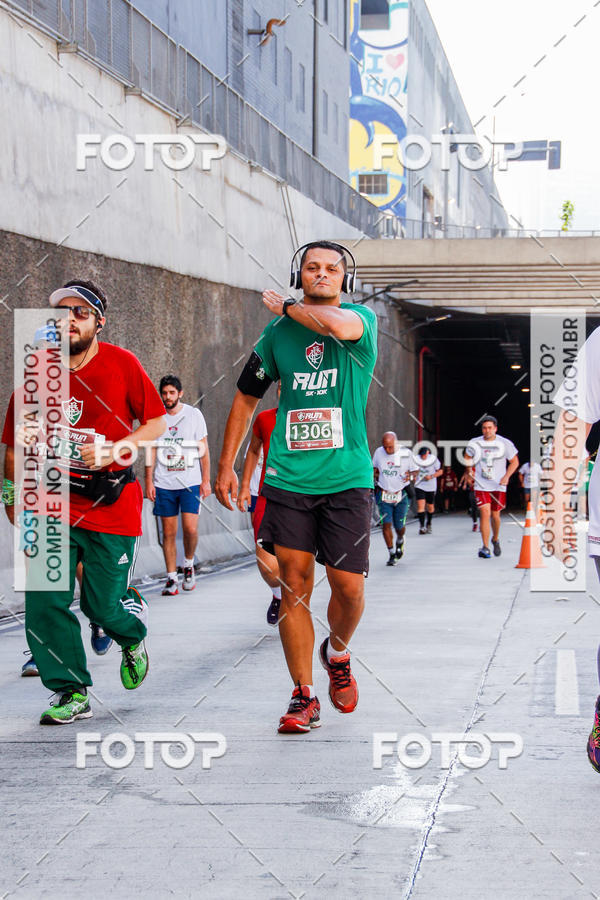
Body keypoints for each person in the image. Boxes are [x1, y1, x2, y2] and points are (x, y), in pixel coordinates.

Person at [215, 240, 377, 734]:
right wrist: (227, 464)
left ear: (344, 280)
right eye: (313, 268)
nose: (322, 275)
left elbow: (338, 326)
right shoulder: (276, 335)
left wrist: (290, 305)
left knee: (349, 589)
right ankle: (303, 694)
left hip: (347, 477)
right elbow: (245, 398)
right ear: (299, 272)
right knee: (294, 586)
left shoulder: (361, 321)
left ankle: (339, 652)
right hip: (287, 477)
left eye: (332, 269)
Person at [2, 279, 166, 724]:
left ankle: (130, 635)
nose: (69, 320)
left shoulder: (122, 364)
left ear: (99, 322)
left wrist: (115, 450)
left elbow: (155, 423)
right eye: (61, 313)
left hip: (111, 504)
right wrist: (12, 494)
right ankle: (69, 690)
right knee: (43, 599)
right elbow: (15, 445)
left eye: (80, 312)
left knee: (101, 605)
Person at [145, 375, 211, 595]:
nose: (168, 397)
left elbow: (204, 450)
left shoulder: (193, 415)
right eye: (164, 393)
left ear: (180, 393)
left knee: (190, 529)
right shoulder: (156, 417)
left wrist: (206, 480)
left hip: (190, 482)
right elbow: (151, 450)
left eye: (172, 393)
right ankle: (172, 578)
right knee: (168, 533)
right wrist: (149, 481)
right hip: (164, 483)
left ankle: (189, 564)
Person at [238, 385, 282, 623]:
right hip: (265, 495)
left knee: (297, 564)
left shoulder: (316, 418)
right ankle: (278, 594)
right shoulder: (265, 419)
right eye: (282, 386)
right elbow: (253, 453)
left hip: (304, 496)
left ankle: (295, 601)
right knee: (267, 566)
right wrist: (245, 487)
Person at [463, 415, 518, 559]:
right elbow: (467, 458)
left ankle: (495, 539)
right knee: (484, 513)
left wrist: (506, 477)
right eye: (484, 428)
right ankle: (485, 547)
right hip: (481, 484)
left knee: (495, 515)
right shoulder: (474, 443)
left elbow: (514, 462)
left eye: (489, 428)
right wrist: (469, 471)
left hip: (498, 485)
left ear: (495, 429)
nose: (487, 431)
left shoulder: (505, 443)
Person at [372, 432, 414, 566]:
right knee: (386, 524)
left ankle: (400, 539)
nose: (387, 450)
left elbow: (415, 471)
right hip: (384, 494)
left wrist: (410, 476)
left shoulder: (406, 453)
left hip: (401, 494)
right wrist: (375, 476)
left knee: (399, 526)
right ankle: (391, 553)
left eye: (390, 447)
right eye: (385, 447)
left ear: (396, 443)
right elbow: (374, 468)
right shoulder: (379, 452)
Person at [412, 446, 442, 534]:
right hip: (420, 485)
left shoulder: (433, 459)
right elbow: (413, 471)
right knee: (421, 506)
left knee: (430, 506)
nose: (423, 457)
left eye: (424, 455)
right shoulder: (416, 459)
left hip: (431, 486)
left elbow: (440, 471)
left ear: (428, 453)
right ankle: (422, 526)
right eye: (421, 455)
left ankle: (429, 523)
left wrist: (431, 476)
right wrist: (415, 476)